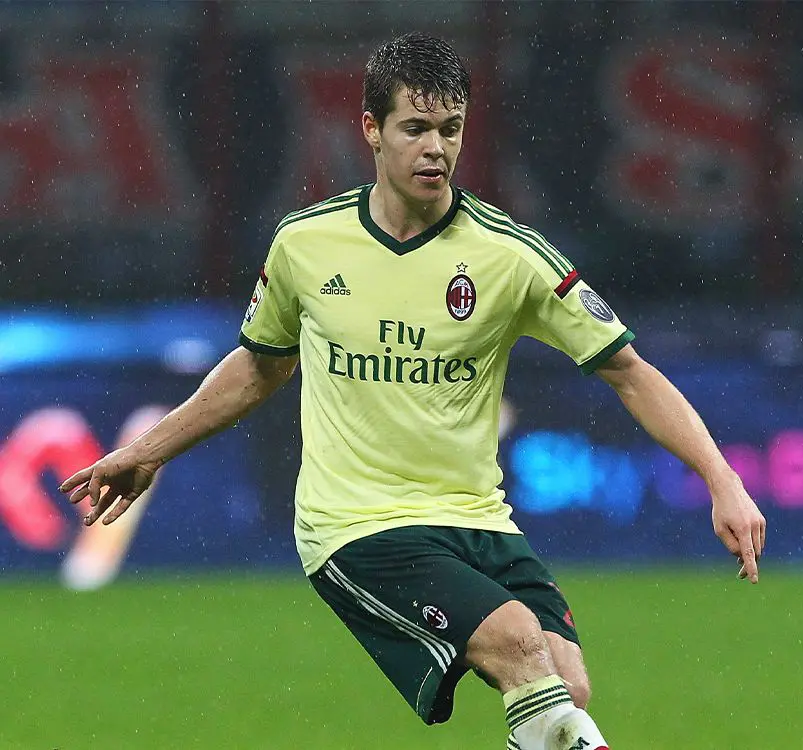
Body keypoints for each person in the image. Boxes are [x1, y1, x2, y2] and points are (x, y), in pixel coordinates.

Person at [59, 32, 766, 750]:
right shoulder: (306, 244)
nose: (436, 149)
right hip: (356, 524)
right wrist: (149, 451)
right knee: (521, 645)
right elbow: (258, 365)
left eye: (451, 130)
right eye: (416, 128)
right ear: (371, 129)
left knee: (564, 686)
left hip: (478, 518)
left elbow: (629, 371)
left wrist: (722, 479)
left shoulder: (509, 256)